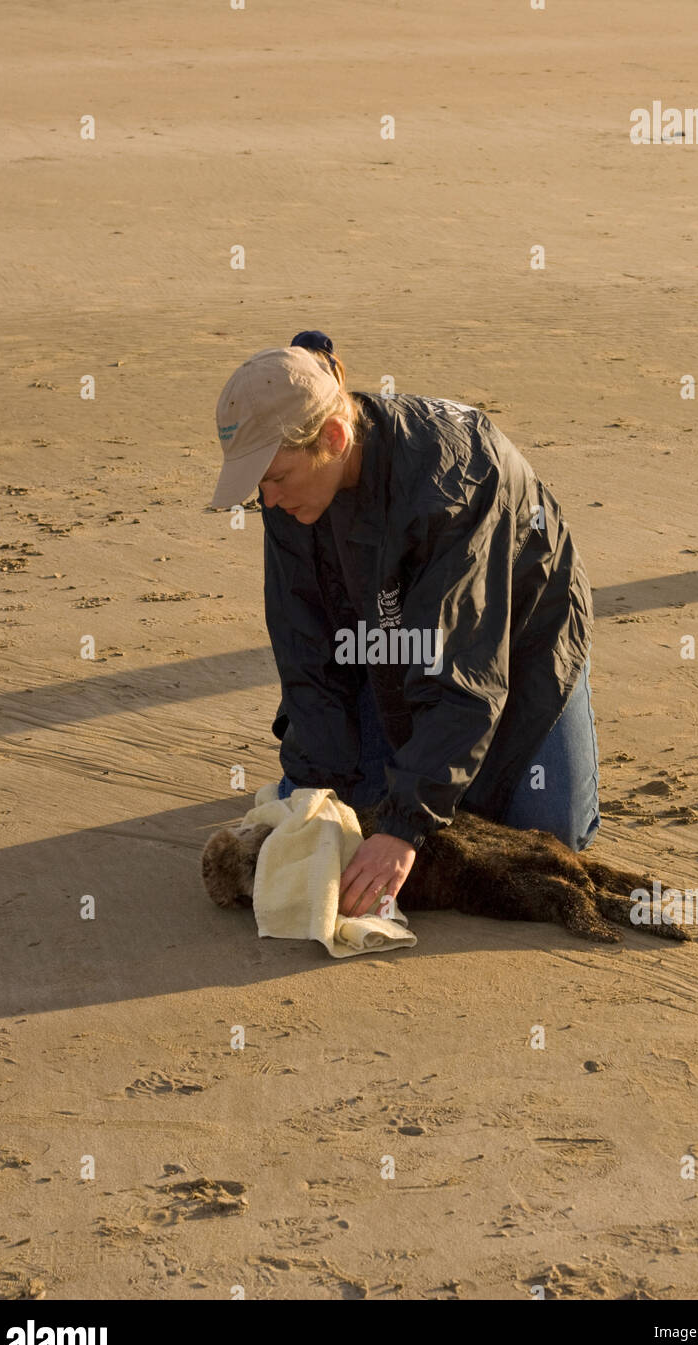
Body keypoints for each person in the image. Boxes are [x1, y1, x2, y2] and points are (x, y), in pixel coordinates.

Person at [211, 331, 599, 918]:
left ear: (334, 438)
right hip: (385, 642)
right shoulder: (290, 490)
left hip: (519, 642)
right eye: (255, 485)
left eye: (276, 478)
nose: (267, 501)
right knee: (342, 814)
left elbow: (467, 672)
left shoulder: (453, 479)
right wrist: (315, 793)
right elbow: (307, 650)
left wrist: (403, 830)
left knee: (546, 833)